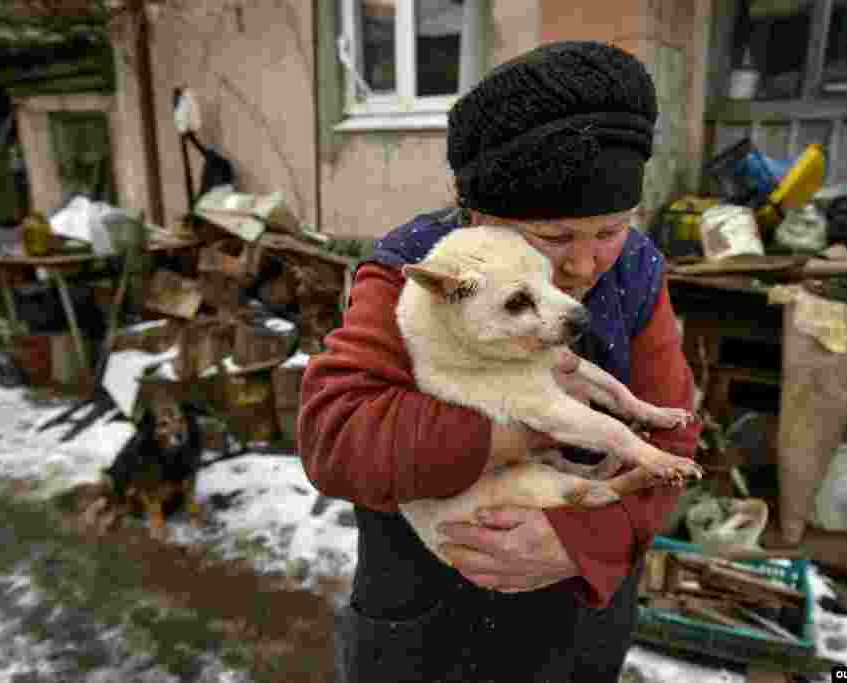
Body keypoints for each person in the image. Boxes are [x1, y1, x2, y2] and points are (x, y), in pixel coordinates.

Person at [297, 40, 702, 683]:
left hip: (579, 613)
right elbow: (337, 437)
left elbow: (673, 430)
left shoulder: (638, 271)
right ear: (478, 214)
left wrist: (586, 543)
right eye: (551, 237)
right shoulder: (423, 271)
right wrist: (528, 426)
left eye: (610, 228)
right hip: (431, 619)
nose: (584, 264)